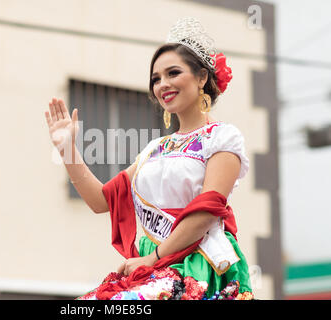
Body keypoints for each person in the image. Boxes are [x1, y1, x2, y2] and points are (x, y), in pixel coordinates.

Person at [44, 17, 254, 300]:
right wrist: (68, 149)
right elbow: (101, 201)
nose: (162, 84)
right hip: (152, 267)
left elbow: (207, 211)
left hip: (199, 266)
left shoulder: (223, 138)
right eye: (156, 79)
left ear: (202, 77)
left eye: (173, 73)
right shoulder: (156, 149)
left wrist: (153, 257)